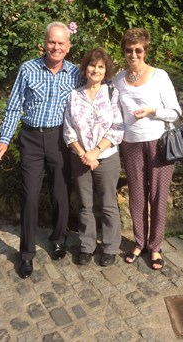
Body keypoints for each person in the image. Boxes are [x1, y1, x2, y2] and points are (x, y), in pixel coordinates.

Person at [0, 21, 83, 279]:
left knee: (60, 194)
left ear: (68, 47)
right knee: (30, 197)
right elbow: (14, 106)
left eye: (60, 43)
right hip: (31, 139)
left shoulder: (76, 73)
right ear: (44, 43)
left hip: (59, 140)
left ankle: (58, 240)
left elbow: (94, 93)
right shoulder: (28, 69)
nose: (55, 47)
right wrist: (4, 139)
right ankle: (27, 254)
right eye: (51, 42)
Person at [113, 27, 182, 270]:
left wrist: (153, 111)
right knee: (137, 196)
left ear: (145, 51)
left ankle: (155, 246)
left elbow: (175, 112)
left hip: (158, 143)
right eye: (128, 50)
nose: (133, 54)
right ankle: (140, 242)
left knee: (158, 196)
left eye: (138, 50)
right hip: (130, 144)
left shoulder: (159, 76)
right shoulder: (118, 80)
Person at [63, 48, 124, 267]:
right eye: (92, 65)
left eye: (100, 66)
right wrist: (83, 154)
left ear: (106, 71)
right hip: (79, 158)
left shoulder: (111, 93)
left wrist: (95, 152)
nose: (95, 70)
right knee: (85, 205)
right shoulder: (74, 95)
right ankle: (87, 246)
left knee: (108, 204)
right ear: (85, 68)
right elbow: (68, 130)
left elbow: (118, 128)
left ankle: (110, 247)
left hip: (106, 157)